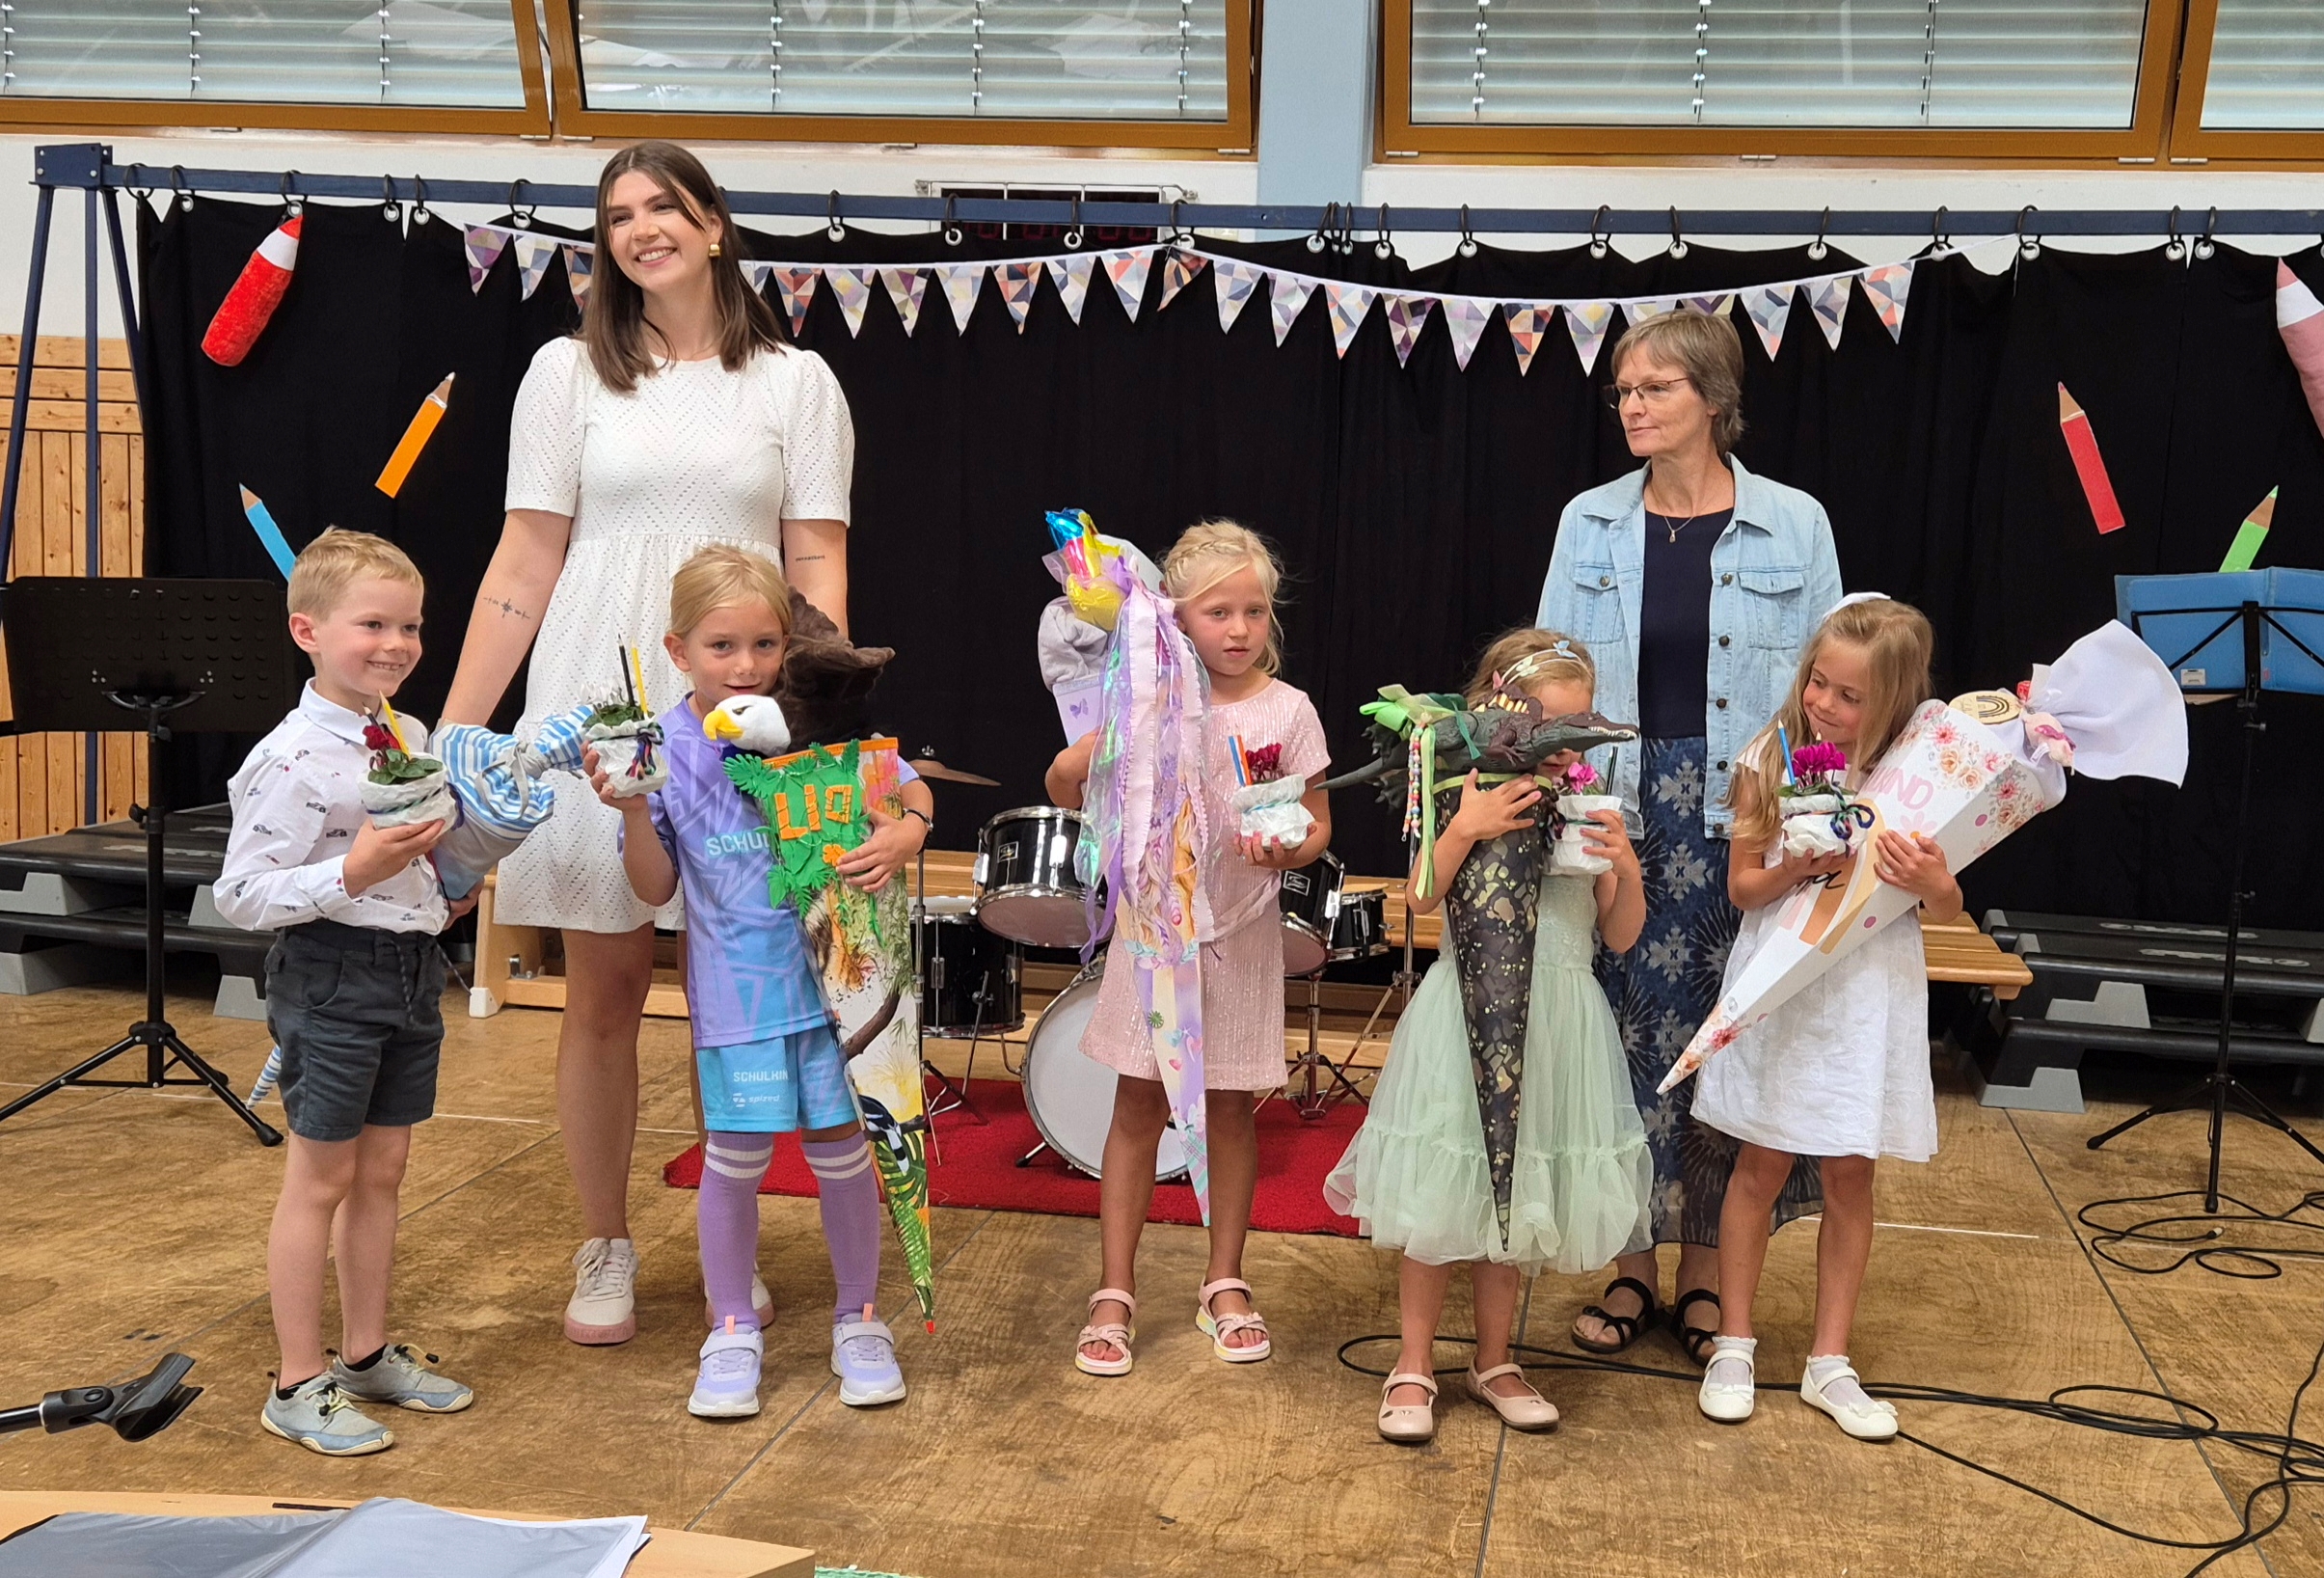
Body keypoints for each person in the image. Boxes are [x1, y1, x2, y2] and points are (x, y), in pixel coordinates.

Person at [440, 141, 856, 1347]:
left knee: (736, 986)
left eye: (662, 207)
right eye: (617, 215)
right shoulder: (564, 372)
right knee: (604, 987)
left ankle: (731, 1239)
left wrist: (810, 717)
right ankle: (605, 1241)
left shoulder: (796, 382)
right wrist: (459, 731)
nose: (639, 230)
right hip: (593, 686)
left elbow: (816, 558)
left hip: (741, 699)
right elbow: (525, 557)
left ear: (714, 224)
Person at [1534, 308, 1842, 1368]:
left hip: (1741, 819)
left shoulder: (1794, 522)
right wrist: (1557, 798)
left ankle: (1709, 1270)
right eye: (1623, 390)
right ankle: (1628, 1263)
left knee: (1723, 1043)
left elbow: (1826, 690)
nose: (1631, 405)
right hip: (1619, 812)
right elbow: (1546, 674)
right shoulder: (1588, 521)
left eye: (1654, 388)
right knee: (1617, 1043)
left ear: (1712, 399)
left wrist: (1817, 816)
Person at [589, 545, 931, 1418]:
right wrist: (633, 809)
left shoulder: (817, 723)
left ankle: (860, 1319)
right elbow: (654, 889)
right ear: (678, 651)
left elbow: (909, 788)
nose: (746, 665)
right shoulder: (663, 747)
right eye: (722, 646)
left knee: (843, 1155)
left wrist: (906, 832)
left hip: (838, 990)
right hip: (738, 998)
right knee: (734, 1161)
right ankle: (732, 1327)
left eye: (765, 645)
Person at [1325, 631, 1652, 1444]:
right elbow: (1419, 897)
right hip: (1463, 1014)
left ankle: (1496, 1359)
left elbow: (1619, 936)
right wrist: (1466, 826)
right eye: (1546, 727)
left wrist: (1625, 866)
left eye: (1576, 730)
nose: (1560, 748)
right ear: (1501, 710)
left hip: (1558, 1021)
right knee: (1445, 1192)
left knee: (1518, 1197)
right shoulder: (1461, 782)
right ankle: (1412, 1361)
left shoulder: (1586, 803)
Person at [1045, 520, 1332, 1375]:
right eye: (1218, 613)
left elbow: (1317, 824)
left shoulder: (1289, 710)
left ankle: (1225, 1281)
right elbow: (1062, 785)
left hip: (1241, 937)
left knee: (1232, 1109)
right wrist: (1090, 754)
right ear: (1174, 617)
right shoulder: (1146, 700)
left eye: (1254, 611)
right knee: (1138, 1107)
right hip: (1155, 937)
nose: (1239, 629)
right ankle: (1114, 1289)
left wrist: (1291, 847)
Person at [216, 529, 474, 1456]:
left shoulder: (404, 734)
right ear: (308, 631)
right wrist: (353, 874)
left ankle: (364, 1353)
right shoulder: (291, 758)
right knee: (319, 1179)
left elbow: (415, 852)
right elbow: (241, 895)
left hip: (408, 973)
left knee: (383, 1172)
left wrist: (445, 886)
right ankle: (295, 1381)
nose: (397, 644)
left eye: (410, 625)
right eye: (373, 624)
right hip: (330, 974)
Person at [1692, 596, 1953, 1440]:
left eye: (1850, 696)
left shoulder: (1920, 776)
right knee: (1760, 1163)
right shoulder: (1767, 757)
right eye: (1818, 683)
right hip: (1785, 984)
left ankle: (1829, 1361)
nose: (1825, 705)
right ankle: (1734, 1342)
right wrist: (1799, 867)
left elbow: (1947, 906)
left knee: (1850, 1174)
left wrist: (1935, 881)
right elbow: (1743, 887)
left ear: (1894, 702)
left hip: (1868, 997)